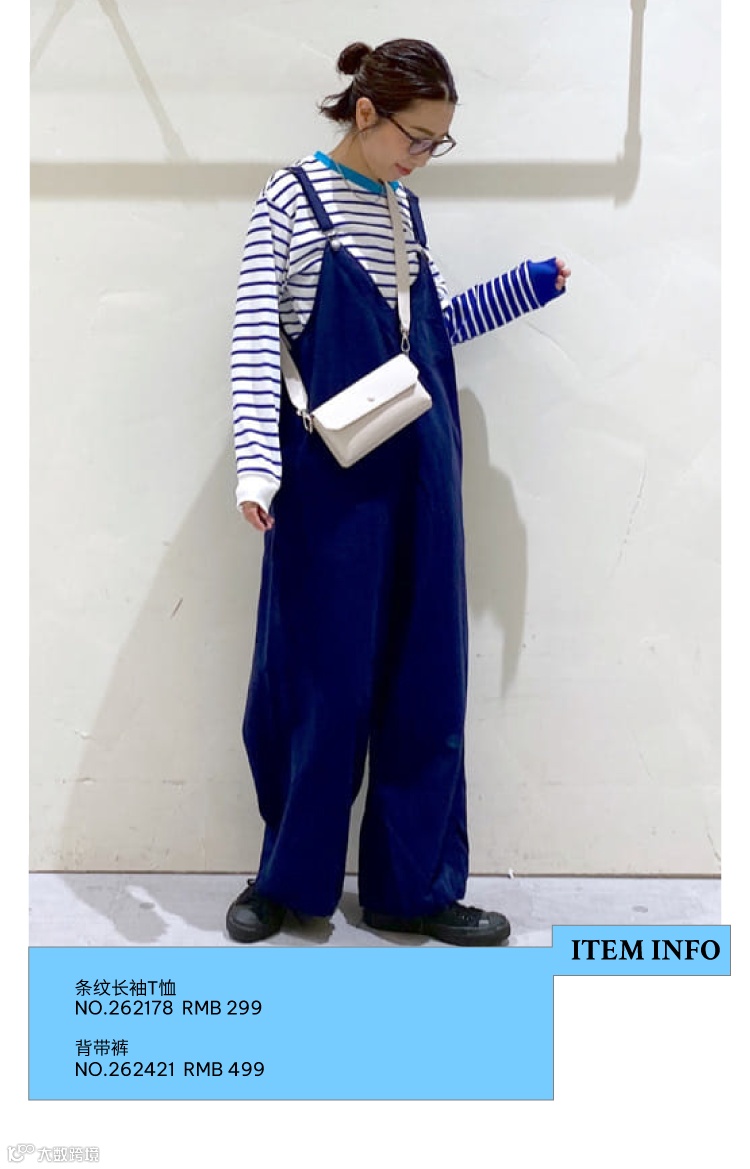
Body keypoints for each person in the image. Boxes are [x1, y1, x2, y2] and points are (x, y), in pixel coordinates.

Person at [226, 38, 570, 946]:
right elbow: (255, 337)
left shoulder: (403, 208)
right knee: (317, 683)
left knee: (427, 679)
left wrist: (525, 289)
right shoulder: (289, 201)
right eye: (416, 138)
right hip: (327, 484)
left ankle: (413, 888)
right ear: (366, 112)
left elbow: (435, 329)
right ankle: (285, 879)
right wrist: (257, 466)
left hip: (421, 470)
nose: (423, 157)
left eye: (437, 143)